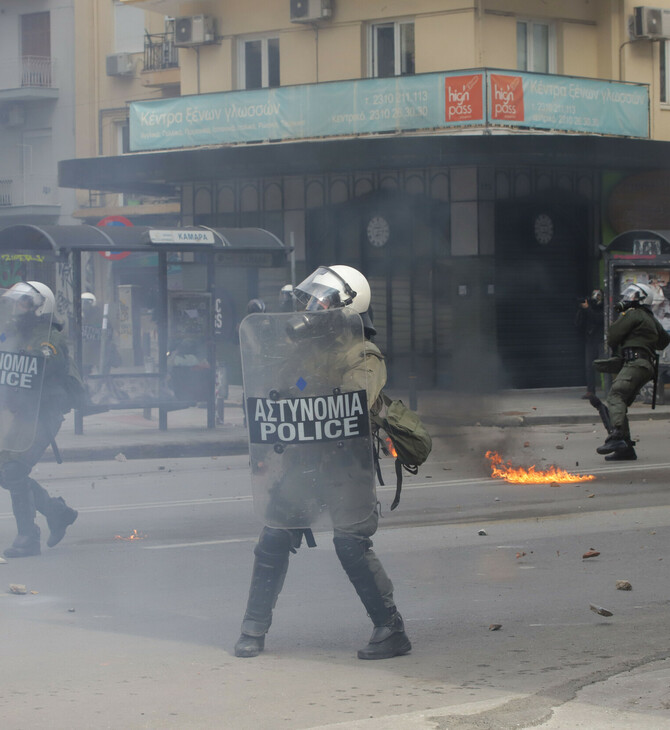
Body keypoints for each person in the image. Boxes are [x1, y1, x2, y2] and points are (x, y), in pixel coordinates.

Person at [234, 265, 411, 660]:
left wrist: (311, 381)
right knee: (275, 535)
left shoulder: (362, 354)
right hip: (304, 460)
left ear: (348, 308)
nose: (313, 309)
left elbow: (355, 399)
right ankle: (253, 627)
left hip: (345, 464)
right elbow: (284, 390)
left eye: (322, 302)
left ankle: (391, 627)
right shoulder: (307, 352)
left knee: (350, 543)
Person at [0, 282, 79, 558]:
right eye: (16, 303)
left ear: (39, 307)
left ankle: (28, 536)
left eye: (23, 303)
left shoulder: (48, 338)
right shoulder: (15, 334)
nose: (16, 308)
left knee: (12, 471)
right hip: (19, 414)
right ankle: (56, 512)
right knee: (5, 471)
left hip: (42, 414)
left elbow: (39, 370)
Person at [596, 283, 670, 461]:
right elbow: (664, 341)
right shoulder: (651, 319)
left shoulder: (634, 314)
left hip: (635, 363)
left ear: (642, 299)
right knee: (620, 403)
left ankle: (617, 437)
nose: (629, 298)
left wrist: (622, 317)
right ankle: (626, 449)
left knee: (615, 396)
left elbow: (613, 335)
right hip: (645, 366)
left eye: (633, 296)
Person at [575, 289, 604, 398]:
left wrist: (588, 309)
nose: (596, 297)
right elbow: (578, 323)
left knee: (605, 366)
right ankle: (590, 390)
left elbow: (598, 319)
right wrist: (582, 309)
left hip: (602, 340)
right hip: (590, 339)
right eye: (594, 295)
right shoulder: (588, 307)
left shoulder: (604, 307)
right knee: (589, 366)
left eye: (598, 295)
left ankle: (611, 389)